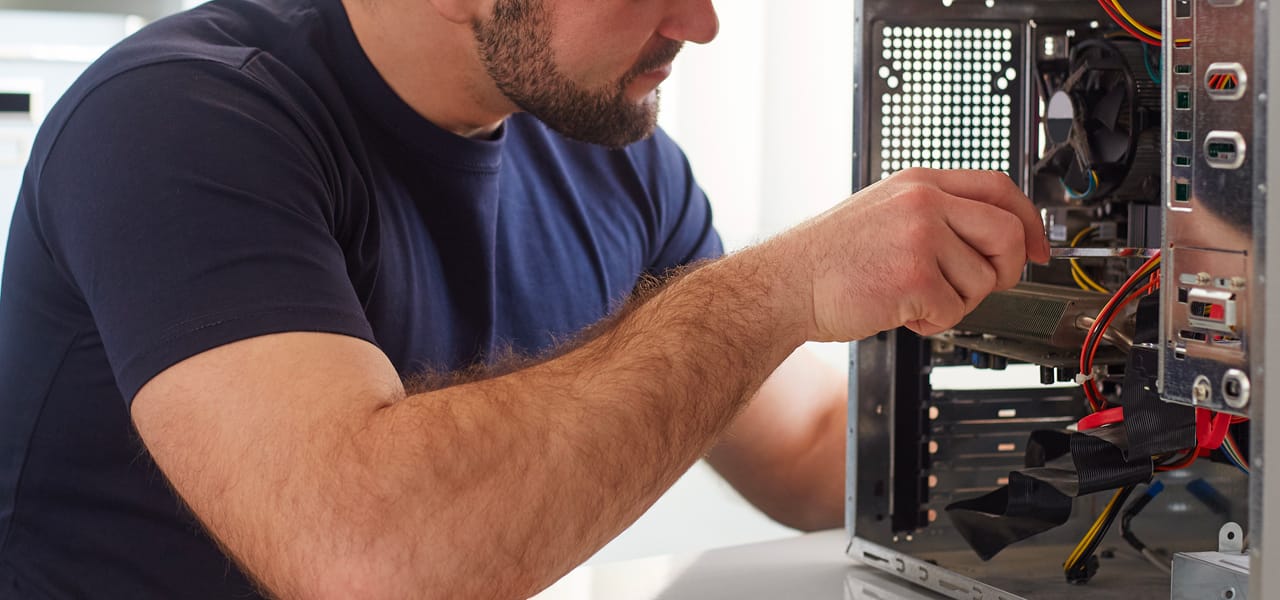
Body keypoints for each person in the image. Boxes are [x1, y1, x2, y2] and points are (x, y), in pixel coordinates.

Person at [0, 0, 1049, 597]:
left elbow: (811, 448)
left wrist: (1154, 452)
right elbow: (374, 561)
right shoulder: (183, 119)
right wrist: (780, 286)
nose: (702, 20)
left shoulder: (616, 164)